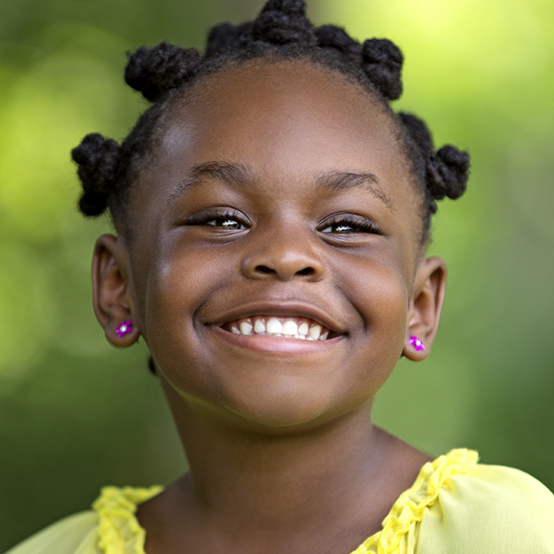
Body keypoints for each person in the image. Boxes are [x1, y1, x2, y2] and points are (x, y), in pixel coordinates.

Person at [6, 0, 554, 553]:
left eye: (344, 224)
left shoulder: (507, 532)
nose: (288, 255)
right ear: (117, 287)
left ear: (421, 304)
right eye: (222, 219)